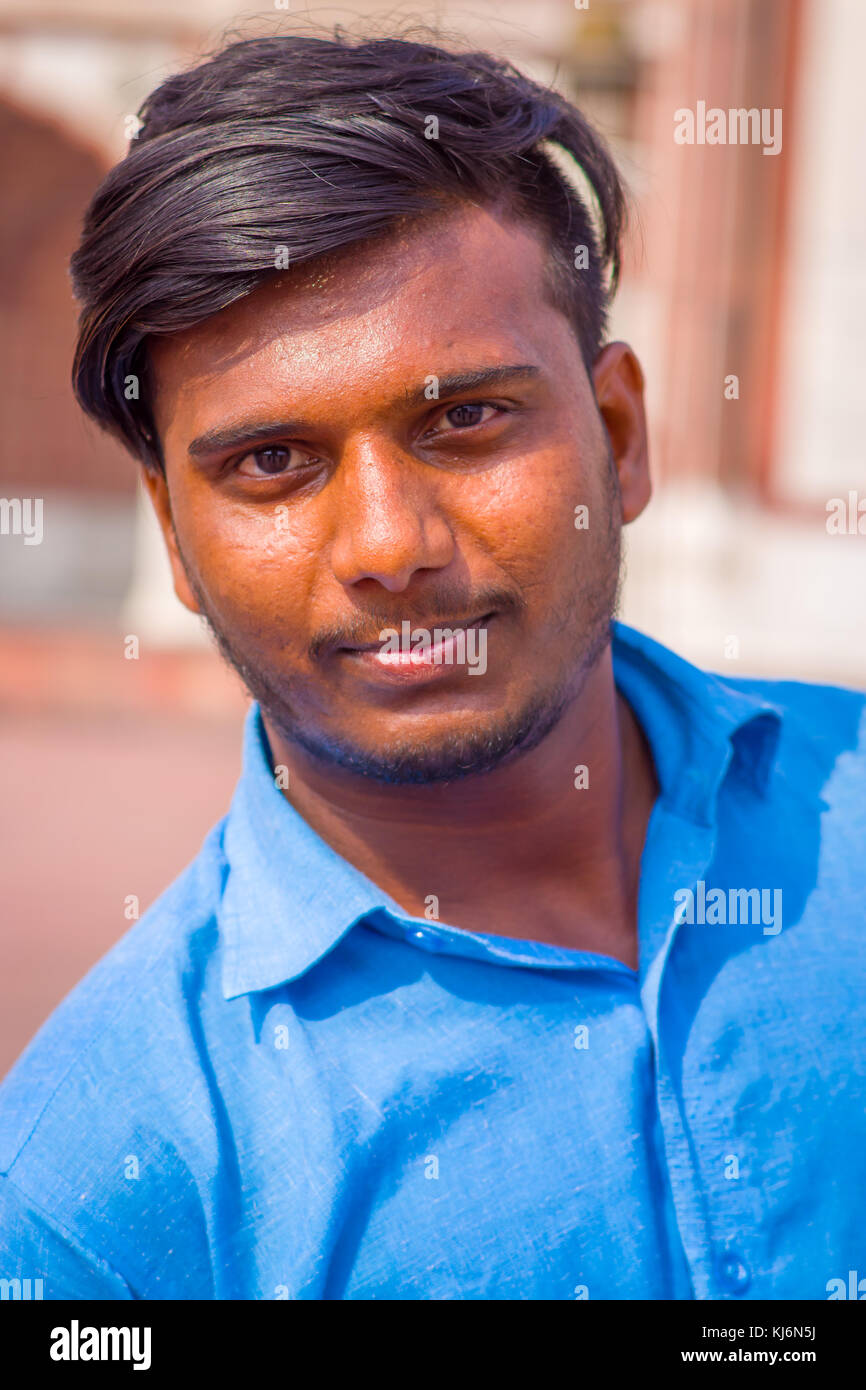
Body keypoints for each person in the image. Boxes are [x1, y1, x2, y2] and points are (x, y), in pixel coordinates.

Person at [1, 28, 864, 1301]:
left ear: (618, 436)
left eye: (463, 420)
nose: (388, 547)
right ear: (174, 540)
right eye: (271, 464)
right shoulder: (105, 1184)